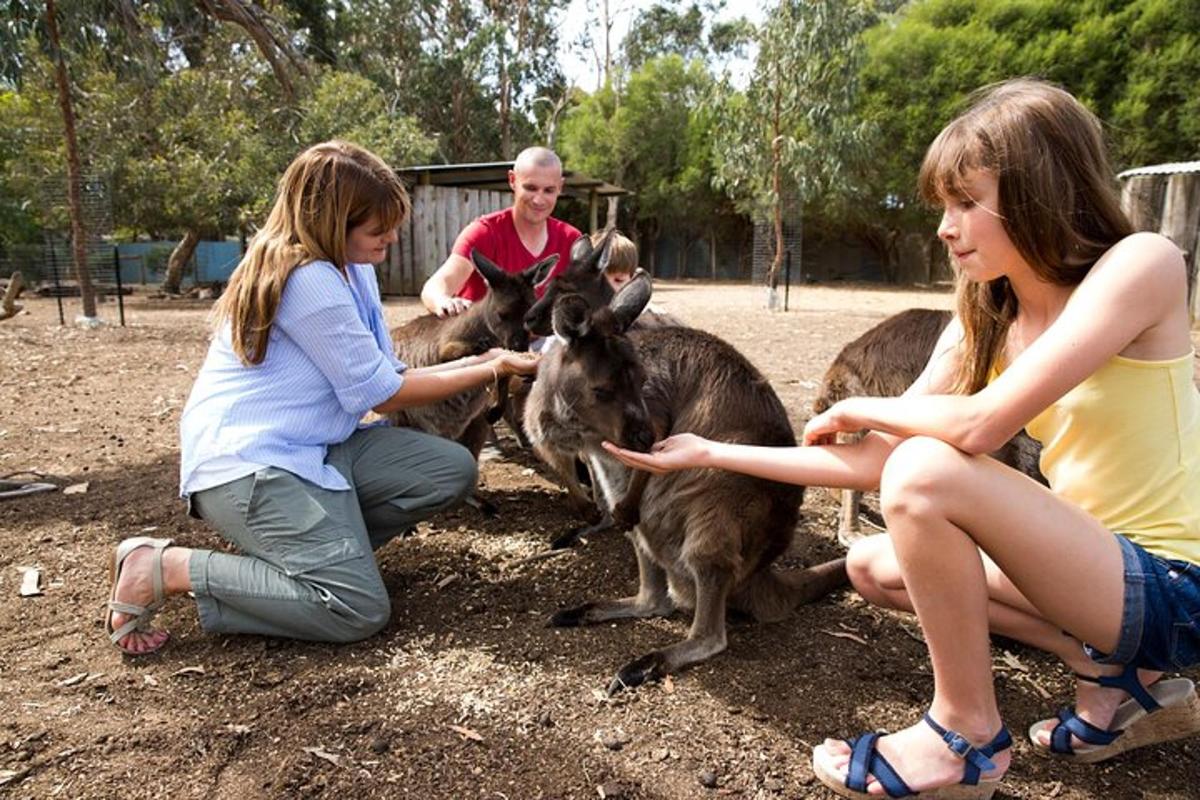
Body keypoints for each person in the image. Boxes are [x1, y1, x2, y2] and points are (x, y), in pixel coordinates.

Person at [603, 79, 1200, 798]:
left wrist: (867, 402)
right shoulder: (986, 313)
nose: (945, 229)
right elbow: (873, 463)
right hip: (1092, 576)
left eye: (965, 203)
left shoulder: (1142, 264)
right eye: (942, 207)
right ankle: (1118, 675)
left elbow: (979, 426)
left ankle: (964, 736)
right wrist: (707, 452)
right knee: (873, 565)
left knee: (925, 471)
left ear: (1044, 190)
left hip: (1173, 583)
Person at [104, 141, 539, 655]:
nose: (392, 239)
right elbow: (383, 395)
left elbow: (386, 368)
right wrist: (490, 365)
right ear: (332, 224)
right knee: (356, 609)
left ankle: (316, 562)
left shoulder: (354, 270)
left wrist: (475, 363)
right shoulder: (307, 279)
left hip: (317, 448)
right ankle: (167, 567)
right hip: (250, 465)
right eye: (378, 231)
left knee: (449, 469)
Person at [420, 146, 581, 317]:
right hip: (484, 338)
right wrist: (443, 301)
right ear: (512, 180)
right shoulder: (484, 233)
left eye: (548, 190)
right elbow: (437, 285)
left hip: (542, 339)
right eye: (530, 188)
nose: (538, 199)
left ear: (560, 187)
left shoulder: (571, 240)